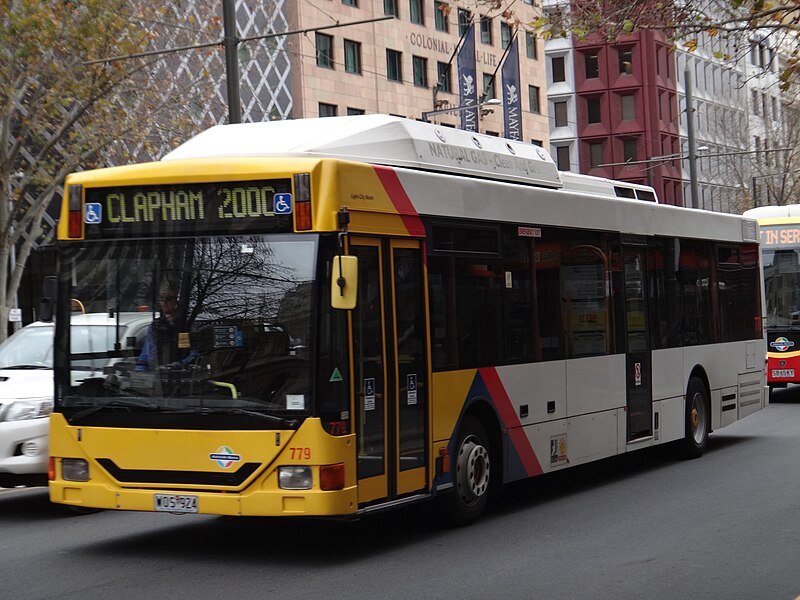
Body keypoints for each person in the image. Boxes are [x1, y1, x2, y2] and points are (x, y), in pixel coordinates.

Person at [135, 283, 194, 372]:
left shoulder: (186, 326)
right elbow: (147, 354)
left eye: (169, 299)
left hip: (181, 376)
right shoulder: (155, 326)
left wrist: (180, 364)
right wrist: (139, 372)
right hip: (158, 376)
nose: (164, 303)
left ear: (177, 302)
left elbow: (193, 353)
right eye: (162, 299)